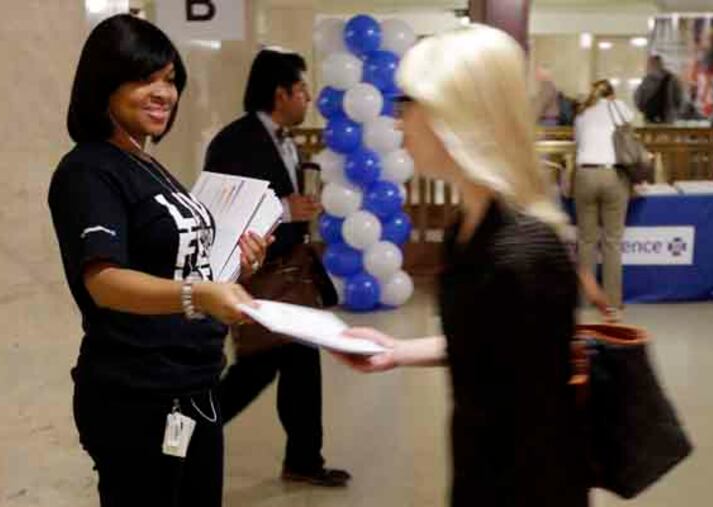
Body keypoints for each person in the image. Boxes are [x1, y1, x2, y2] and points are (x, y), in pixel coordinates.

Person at [335, 25, 588, 506]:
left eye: (408, 104)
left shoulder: (527, 251)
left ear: (455, 115)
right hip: (478, 468)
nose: (398, 122)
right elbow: (489, 340)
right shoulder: (467, 228)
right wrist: (397, 350)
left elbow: (539, 420)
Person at [47, 14, 269, 507]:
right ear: (104, 84)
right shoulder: (88, 170)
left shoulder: (148, 165)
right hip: (137, 396)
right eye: (144, 78)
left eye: (169, 80)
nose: (162, 93)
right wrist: (199, 294)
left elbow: (182, 267)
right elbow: (103, 280)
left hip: (194, 383)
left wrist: (235, 270)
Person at [203, 48, 349, 487]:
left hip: (293, 273)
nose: (308, 98)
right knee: (257, 367)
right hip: (260, 276)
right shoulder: (235, 141)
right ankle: (189, 431)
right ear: (279, 93)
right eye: (302, 89)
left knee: (303, 365)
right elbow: (223, 211)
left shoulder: (285, 140)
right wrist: (286, 210)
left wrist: (298, 210)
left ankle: (304, 458)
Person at [574, 79, 633, 316]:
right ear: (611, 94)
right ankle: (612, 301)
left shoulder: (582, 114)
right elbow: (630, 135)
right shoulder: (619, 107)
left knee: (586, 241)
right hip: (613, 175)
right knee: (612, 241)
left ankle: (586, 299)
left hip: (585, 174)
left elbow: (578, 143)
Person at [634, 54, 683, 123]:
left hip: (650, 117)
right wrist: (675, 112)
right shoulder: (672, 79)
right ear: (661, 64)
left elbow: (638, 99)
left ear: (651, 64)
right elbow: (679, 99)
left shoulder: (646, 80)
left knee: (651, 132)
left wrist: (644, 110)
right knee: (667, 132)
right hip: (668, 117)